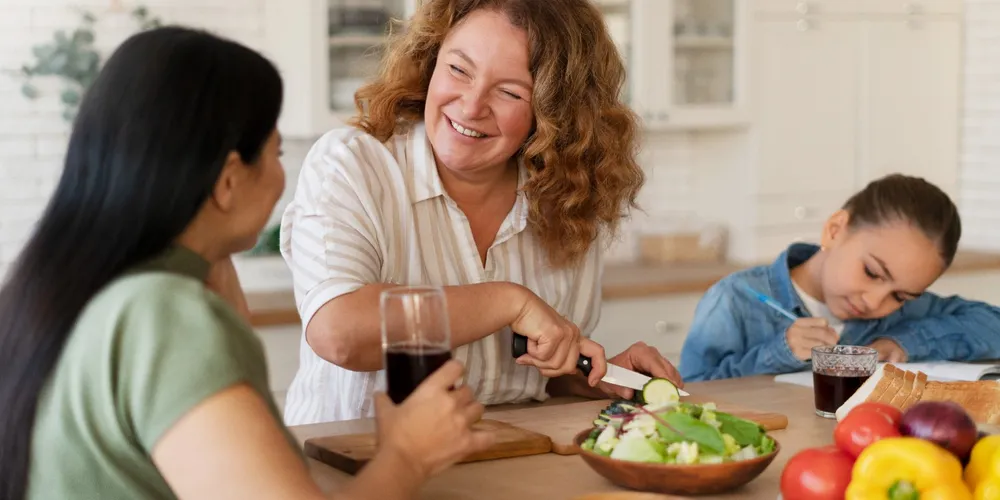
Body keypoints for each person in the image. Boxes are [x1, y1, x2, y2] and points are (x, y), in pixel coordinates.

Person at [0, 27, 492, 500]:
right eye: (276, 153)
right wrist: (408, 453)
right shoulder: (163, 313)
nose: (283, 178)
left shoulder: (69, 288)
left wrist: (213, 258)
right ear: (229, 180)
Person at [280, 0, 683, 425]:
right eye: (458, 69)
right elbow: (340, 333)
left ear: (555, 114)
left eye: (509, 92)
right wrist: (509, 301)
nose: (471, 106)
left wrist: (594, 379)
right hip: (351, 472)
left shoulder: (567, 200)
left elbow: (518, 374)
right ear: (431, 60)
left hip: (502, 463)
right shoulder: (352, 165)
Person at [679, 173, 1000, 382]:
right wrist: (778, 353)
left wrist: (904, 341)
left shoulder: (904, 313)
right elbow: (690, 395)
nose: (876, 302)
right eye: (872, 272)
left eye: (900, 296)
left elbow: (991, 323)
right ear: (835, 230)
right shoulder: (736, 299)